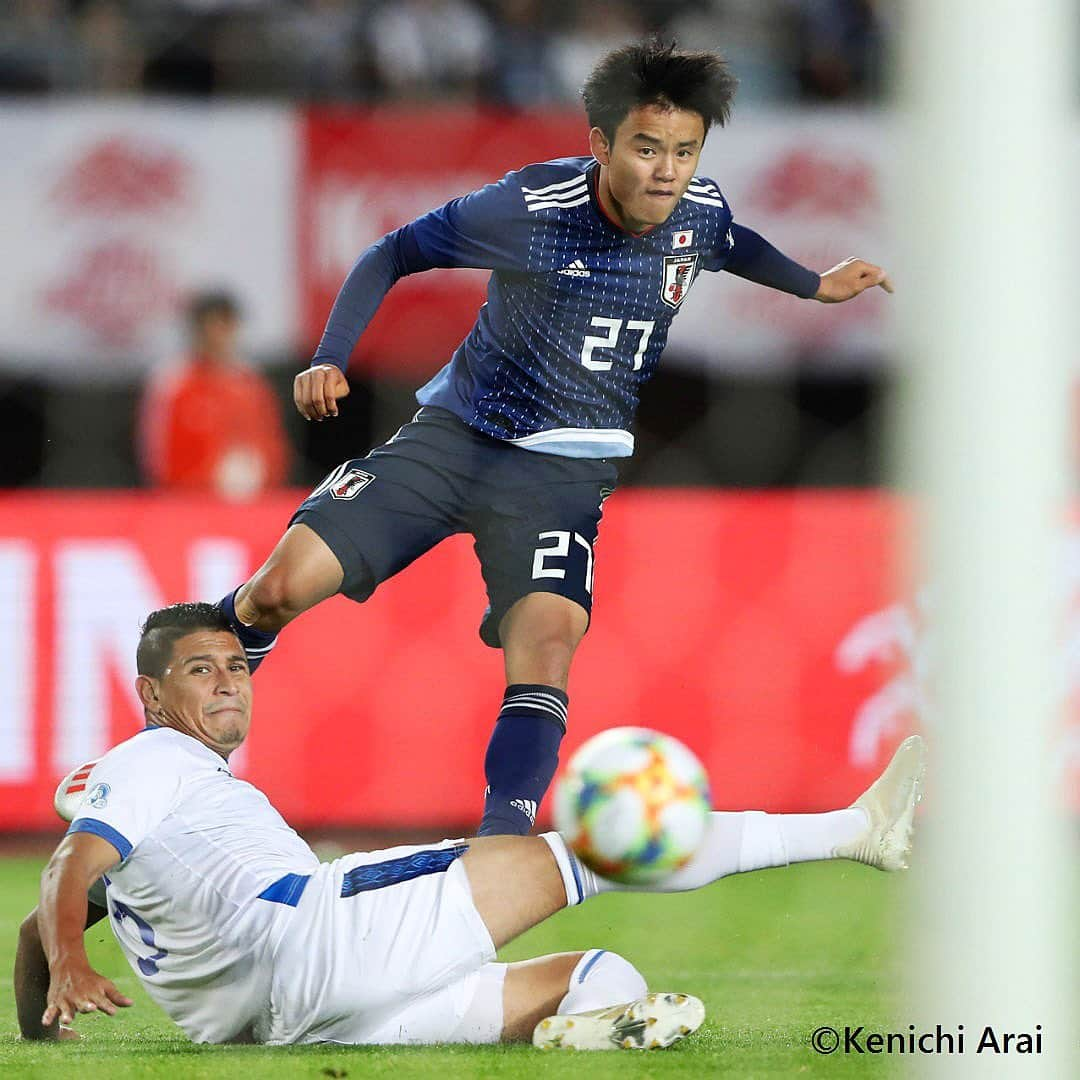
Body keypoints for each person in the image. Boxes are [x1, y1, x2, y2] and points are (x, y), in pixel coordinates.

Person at [215, 40, 894, 836]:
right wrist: (330, 357)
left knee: (548, 644)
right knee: (277, 590)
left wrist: (815, 285)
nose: (667, 171)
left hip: (562, 476)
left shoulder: (698, 215)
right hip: (454, 442)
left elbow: (731, 242)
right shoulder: (529, 210)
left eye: (684, 151)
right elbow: (391, 251)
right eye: (646, 149)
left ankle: (502, 842)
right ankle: (176, 741)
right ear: (602, 143)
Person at [16, 603, 923, 1049]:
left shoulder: (174, 800)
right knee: (607, 845)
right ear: (150, 694)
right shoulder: (146, 761)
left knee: (603, 976)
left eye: (236, 667)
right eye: (200, 670)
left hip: (304, 1023)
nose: (226, 682)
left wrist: (38, 1023)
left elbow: (40, 917)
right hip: (319, 937)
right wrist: (72, 964)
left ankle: (588, 1030)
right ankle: (853, 833)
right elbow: (70, 863)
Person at [138, 290, 291, 502]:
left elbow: (273, 446)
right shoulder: (174, 385)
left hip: (251, 504)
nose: (219, 336)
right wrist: (211, 479)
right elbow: (159, 460)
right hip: (189, 505)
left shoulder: (252, 385)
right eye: (211, 327)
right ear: (196, 330)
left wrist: (259, 477)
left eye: (225, 326)